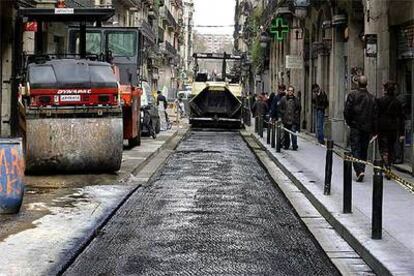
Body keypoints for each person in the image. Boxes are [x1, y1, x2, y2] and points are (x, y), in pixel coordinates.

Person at [344, 75, 377, 182]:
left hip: (356, 126)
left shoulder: (352, 95)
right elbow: (374, 115)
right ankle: (361, 168)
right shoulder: (372, 98)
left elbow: (347, 111)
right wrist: (373, 129)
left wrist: (350, 122)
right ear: (366, 84)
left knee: (355, 148)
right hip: (366, 128)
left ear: (358, 83)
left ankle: (359, 170)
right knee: (363, 149)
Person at [376, 81, 405, 178]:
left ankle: (387, 166)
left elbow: (376, 115)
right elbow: (401, 118)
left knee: (383, 148)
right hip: (393, 128)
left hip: (382, 127)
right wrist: (401, 132)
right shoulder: (397, 102)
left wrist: (374, 130)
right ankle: (389, 166)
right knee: (391, 147)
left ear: (385, 90)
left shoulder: (380, 101)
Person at [279, 86, 301, 150]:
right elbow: (280, 108)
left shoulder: (296, 100)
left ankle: (294, 146)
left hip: (293, 120)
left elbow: (298, 108)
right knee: (286, 134)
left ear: (293, 92)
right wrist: (283, 113)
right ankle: (286, 145)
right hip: (285, 119)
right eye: (289, 90)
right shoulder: (283, 99)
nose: (290, 92)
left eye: (291, 91)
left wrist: (295, 115)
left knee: (293, 133)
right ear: (287, 91)